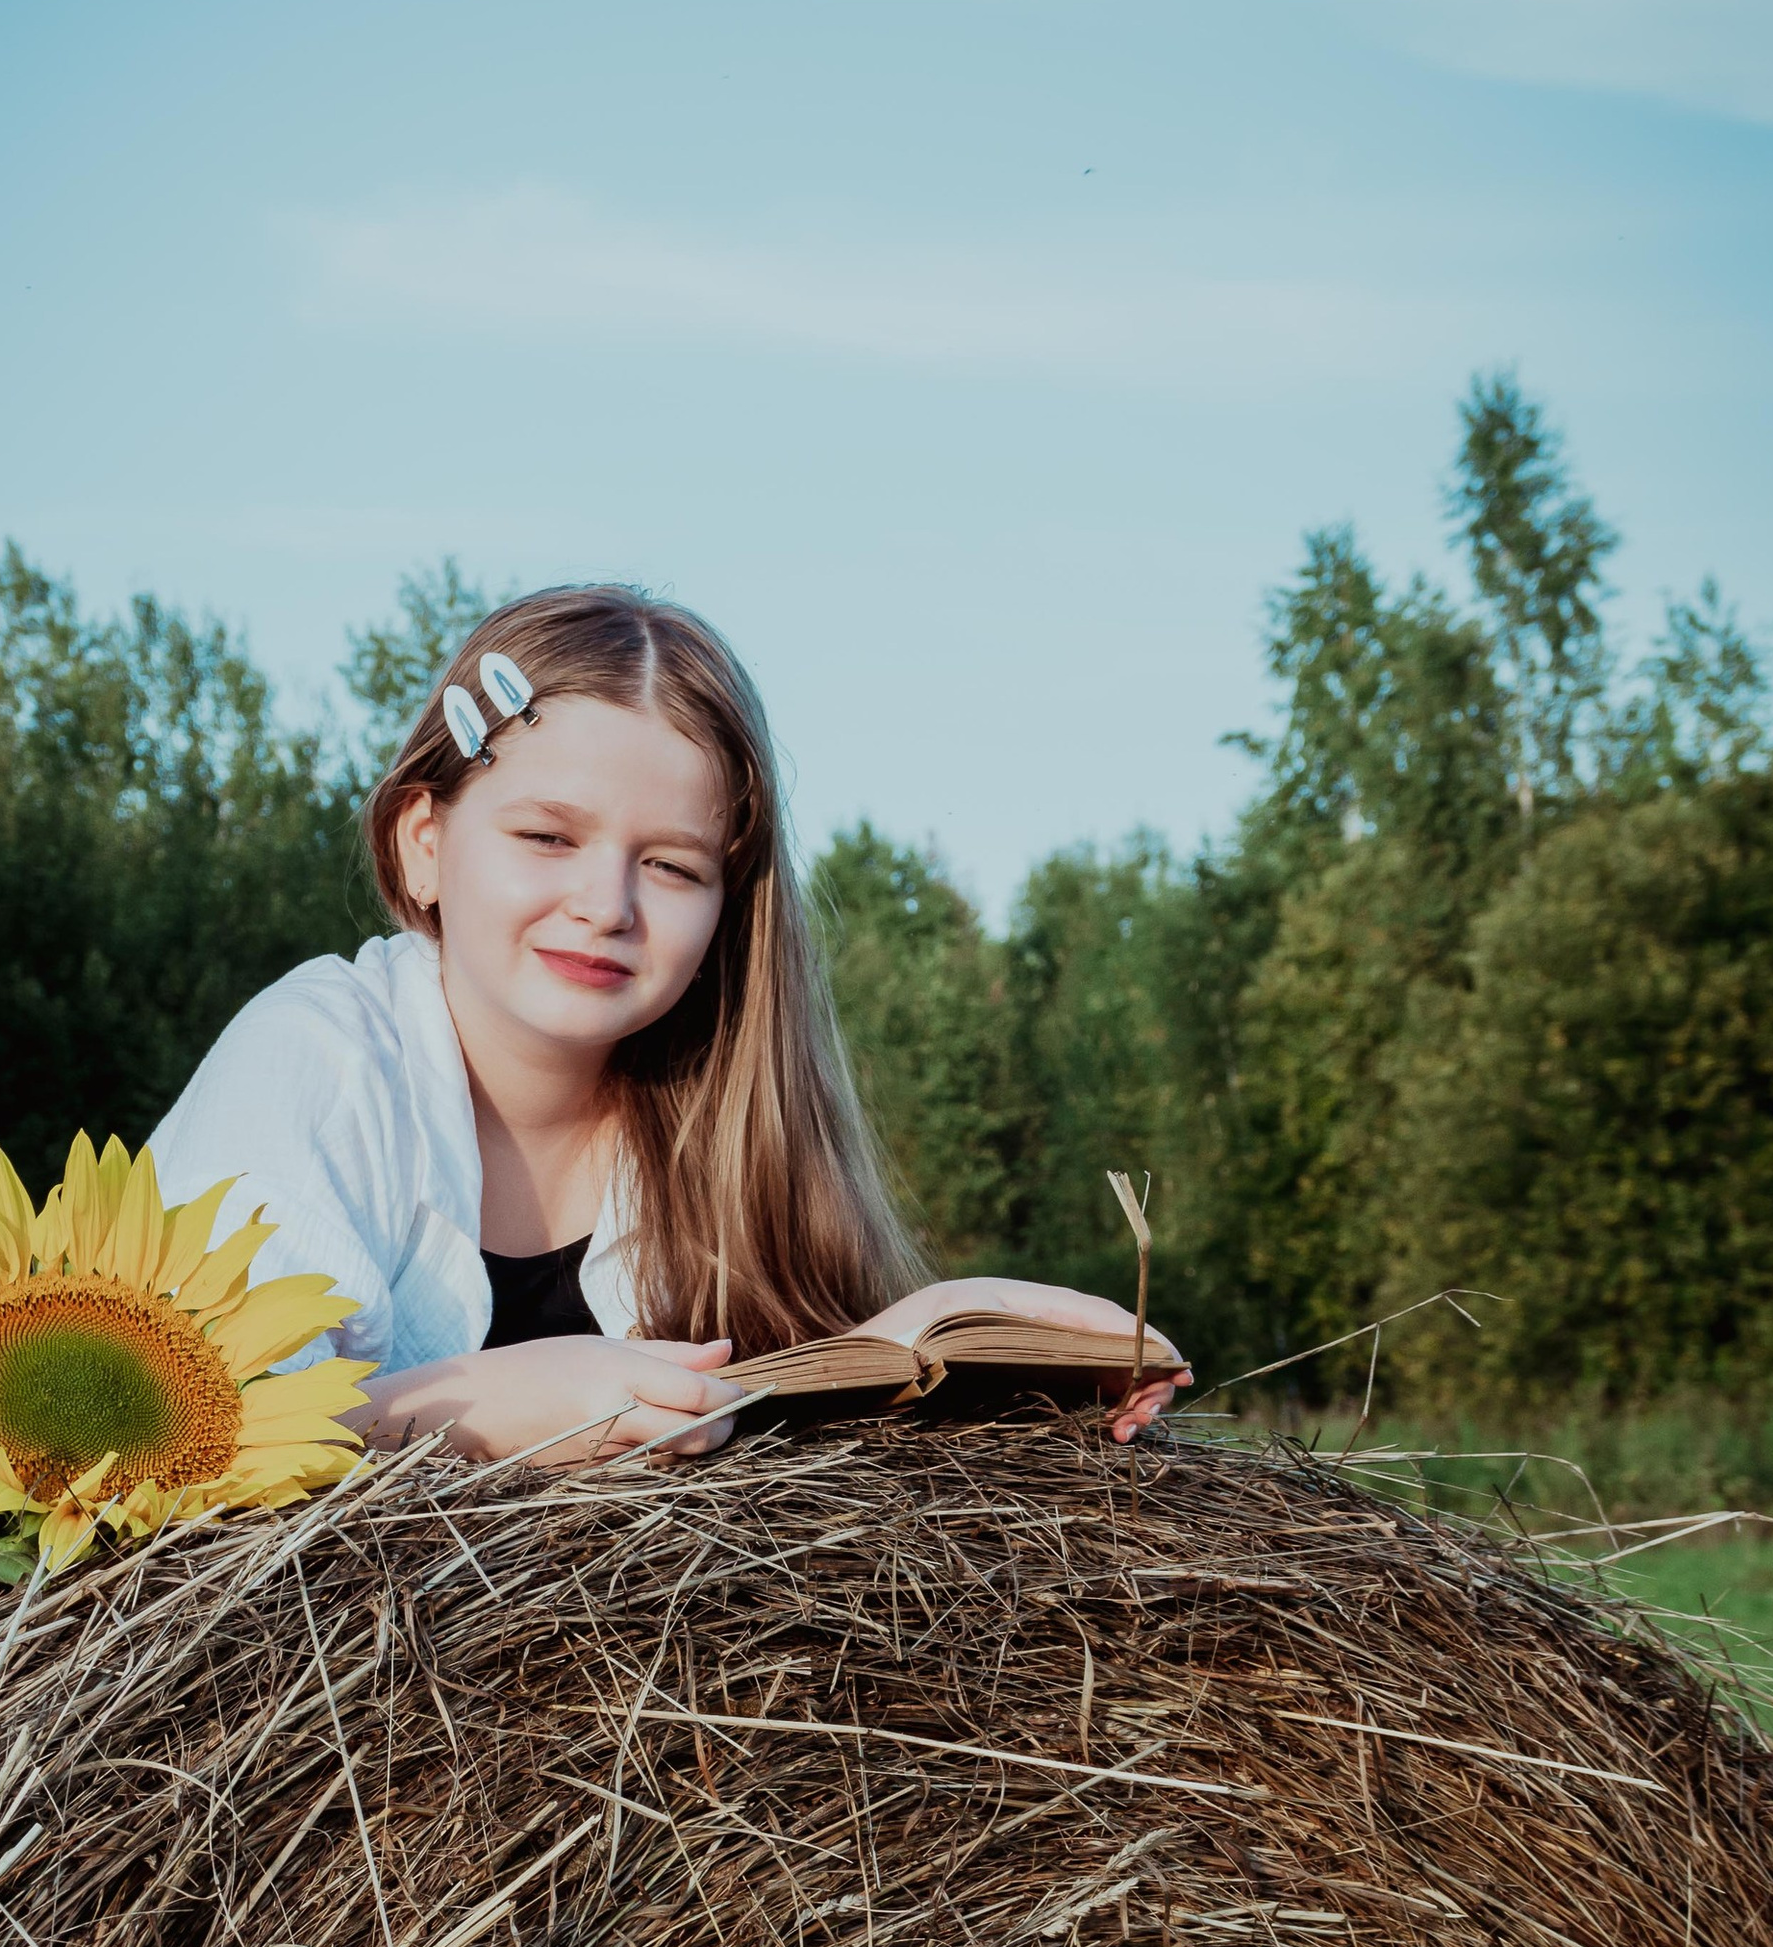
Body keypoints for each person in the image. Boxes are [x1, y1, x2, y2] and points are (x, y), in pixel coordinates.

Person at [149, 585, 1184, 1464]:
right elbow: (162, 1442)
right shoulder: (310, 1061)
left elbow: (764, 1443)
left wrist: (920, 1335)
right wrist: (471, 1407)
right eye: (547, 836)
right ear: (423, 843)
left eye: (672, 866)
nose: (608, 904)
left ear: (727, 907)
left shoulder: (729, 1109)